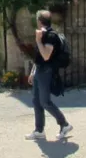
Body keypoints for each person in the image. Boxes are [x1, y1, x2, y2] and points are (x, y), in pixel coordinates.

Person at [28, 11, 72, 141]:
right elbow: (39, 57)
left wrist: (38, 41)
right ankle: (39, 130)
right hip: (39, 70)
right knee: (36, 101)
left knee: (45, 101)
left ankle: (64, 124)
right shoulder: (43, 34)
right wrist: (32, 72)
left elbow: (46, 55)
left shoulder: (51, 36)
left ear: (39, 21)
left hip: (46, 72)